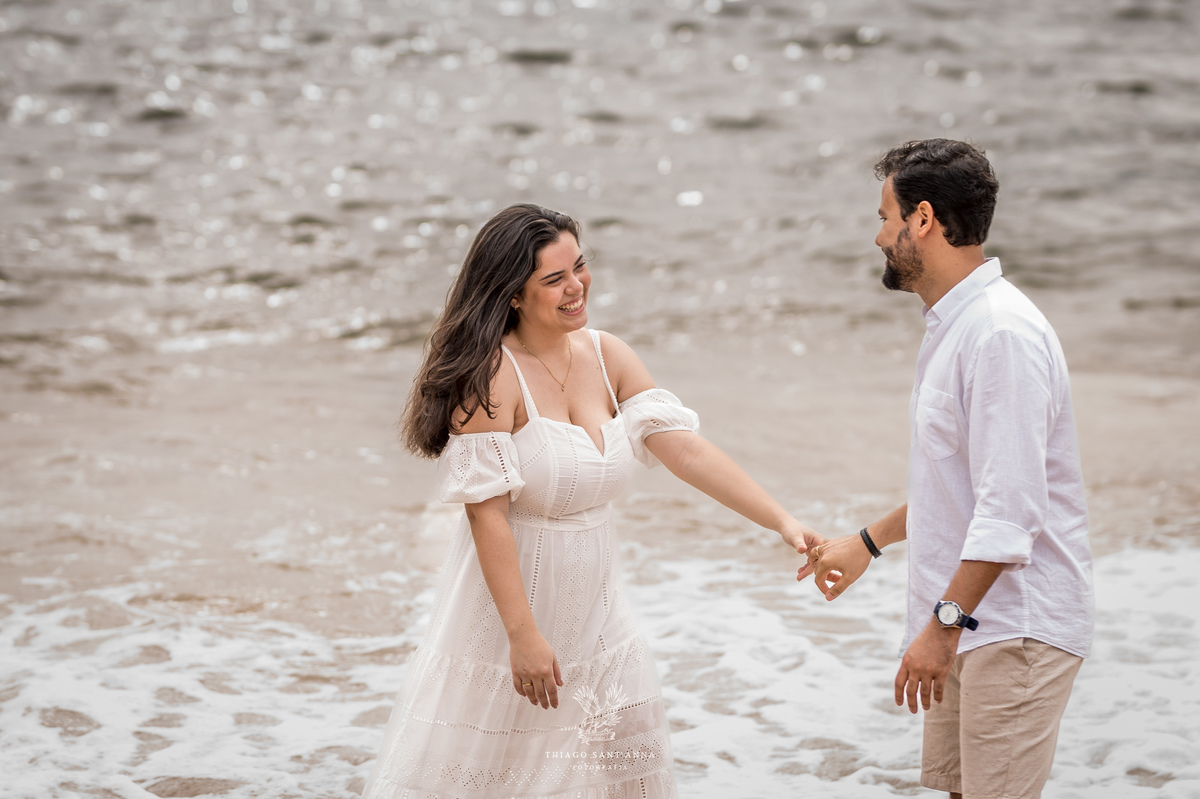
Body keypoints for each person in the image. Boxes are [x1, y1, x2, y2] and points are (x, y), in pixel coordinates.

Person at [363, 203, 821, 798]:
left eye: (579, 267)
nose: (576, 287)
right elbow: (487, 514)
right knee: (499, 778)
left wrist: (783, 522)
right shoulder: (493, 376)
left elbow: (686, 452)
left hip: (601, 618)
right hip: (510, 613)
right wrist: (522, 636)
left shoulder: (608, 355)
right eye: (553, 279)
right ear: (512, 296)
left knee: (630, 774)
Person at [805, 140, 1094, 799]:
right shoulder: (956, 326)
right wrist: (868, 542)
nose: (880, 235)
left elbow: (1011, 509)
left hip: (1011, 623)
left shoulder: (999, 334)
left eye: (885, 216)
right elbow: (965, 486)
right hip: (971, 616)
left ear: (924, 219)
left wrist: (941, 627)